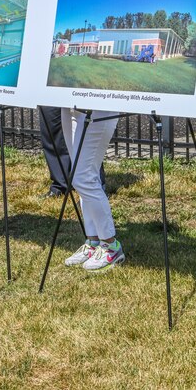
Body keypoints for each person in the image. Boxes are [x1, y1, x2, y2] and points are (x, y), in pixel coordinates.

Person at [38, 0, 104, 198]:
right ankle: (60, 184)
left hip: (76, 76)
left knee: (85, 127)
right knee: (50, 126)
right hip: (44, 68)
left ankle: (93, 180)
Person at [61, 108, 125, 272]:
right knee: (83, 175)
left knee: (83, 177)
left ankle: (111, 246)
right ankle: (93, 241)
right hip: (69, 105)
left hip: (98, 106)